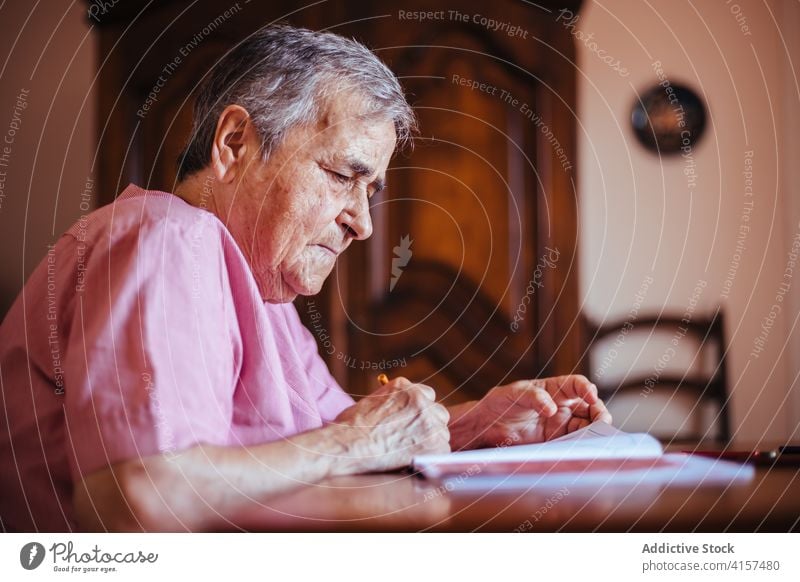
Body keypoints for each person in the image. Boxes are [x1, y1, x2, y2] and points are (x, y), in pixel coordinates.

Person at [0, 25, 610, 532]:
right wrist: (360, 443)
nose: (363, 224)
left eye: (371, 191)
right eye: (343, 175)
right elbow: (137, 499)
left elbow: (330, 443)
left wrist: (476, 424)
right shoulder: (169, 240)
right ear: (235, 144)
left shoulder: (261, 288)